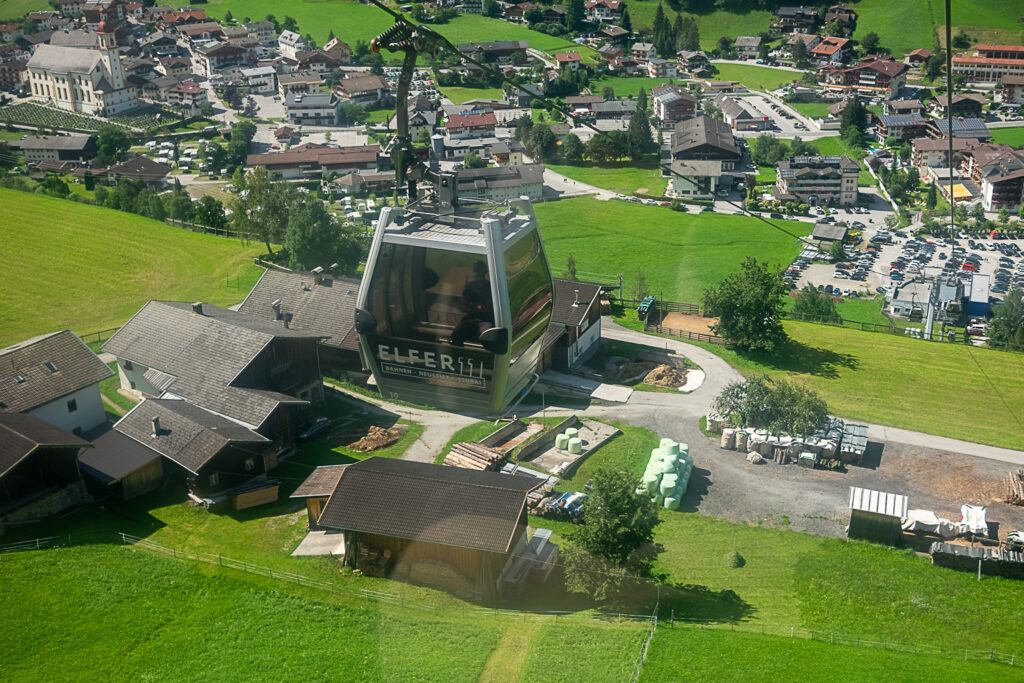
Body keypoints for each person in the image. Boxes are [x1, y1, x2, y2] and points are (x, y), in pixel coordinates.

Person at [452, 261, 494, 346]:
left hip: (486, 321)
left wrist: (473, 307)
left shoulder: (490, 287)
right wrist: (478, 308)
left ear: (485, 272)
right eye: (475, 271)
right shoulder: (469, 286)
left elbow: (489, 308)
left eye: (479, 271)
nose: (477, 274)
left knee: (486, 337)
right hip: (471, 320)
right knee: (456, 334)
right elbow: (463, 307)